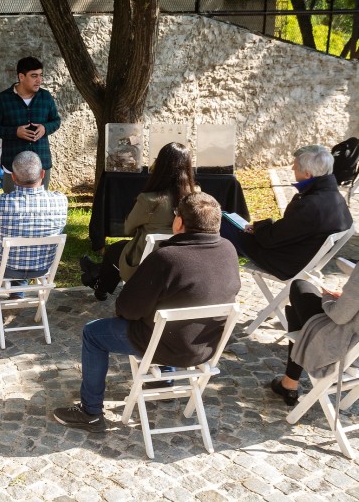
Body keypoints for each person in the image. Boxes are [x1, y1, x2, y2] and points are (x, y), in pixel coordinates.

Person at [52, 192, 242, 432]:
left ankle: (90, 412)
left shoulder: (166, 258)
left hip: (165, 345)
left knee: (93, 334)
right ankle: (165, 381)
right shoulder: (228, 250)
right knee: (171, 316)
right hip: (206, 346)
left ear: (179, 222)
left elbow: (127, 308)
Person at [80, 142, 197, 301]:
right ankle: (97, 277)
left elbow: (128, 228)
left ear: (160, 166)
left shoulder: (150, 200)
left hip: (147, 261)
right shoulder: (196, 197)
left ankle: (99, 282)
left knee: (115, 250)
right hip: (182, 262)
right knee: (117, 251)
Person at [223, 144, 352, 280]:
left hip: (285, 263)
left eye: (295, 167)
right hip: (301, 256)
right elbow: (291, 230)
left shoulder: (310, 205)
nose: (292, 168)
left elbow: (269, 239)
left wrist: (260, 227)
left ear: (307, 174)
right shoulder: (335, 196)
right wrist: (261, 226)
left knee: (222, 226)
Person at [0, 151, 67, 301]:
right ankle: (17, 292)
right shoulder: (61, 201)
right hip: (42, 267)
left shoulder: (0, 203)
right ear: (43, 173)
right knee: (23, 242)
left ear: (13, 177)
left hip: (7, 268)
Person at [270, 263, 359, 406]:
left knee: (299, 287)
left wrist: (329, 298)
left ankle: (289, 383)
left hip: (345, 348)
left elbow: (339, 316)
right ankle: (289, 383)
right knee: (298, 311)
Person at [0, 56, 61, 190]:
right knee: (11, 206)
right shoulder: (3, 99)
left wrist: (45, 128)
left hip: (41, 162)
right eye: (34, 76)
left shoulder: (46, 97)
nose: (39, 80)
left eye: (40, 75)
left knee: (41, 207)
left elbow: (56, 121)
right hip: (13, 164)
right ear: (21, 77)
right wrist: (15, 132)